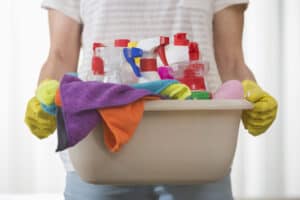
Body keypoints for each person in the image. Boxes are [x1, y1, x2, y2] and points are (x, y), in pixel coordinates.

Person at [31, 0, 278, 199]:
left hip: (196, 149)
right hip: (99, 146)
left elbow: (231, 58)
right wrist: (46, 96)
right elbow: (61, 54)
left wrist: (248, 95)